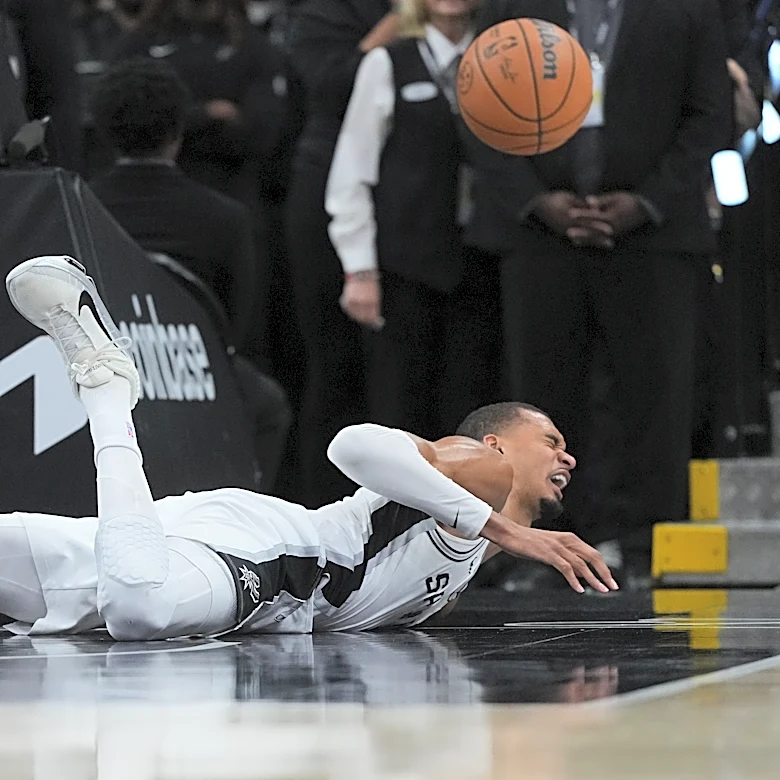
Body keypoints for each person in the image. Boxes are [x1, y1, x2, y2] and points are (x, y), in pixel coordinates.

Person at [1, 255, 616, 639]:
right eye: (551, 440)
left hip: (185, 538)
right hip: (278, 557)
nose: (567, 457)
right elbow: (352, 446)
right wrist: (504, 529)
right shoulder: (485, 470)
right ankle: (107, 386)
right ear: (496, 442)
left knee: (113, 590)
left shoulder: (467, 564)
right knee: (139, 609)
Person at [465, 0, 733, 584]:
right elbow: (477, 111)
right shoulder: (511, 6)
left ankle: (648, 547)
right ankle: (547, 547)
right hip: (539, 239)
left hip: (656, 236)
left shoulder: (689, 9)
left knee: (657, 398)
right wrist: (537, 202)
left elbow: (712, 116)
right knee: (541, 401)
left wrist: (648, 202)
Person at [88, 57, 291, 494]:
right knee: (269, 405)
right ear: (179, 131)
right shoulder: (226, 218)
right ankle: (243, 510)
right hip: (197, 372)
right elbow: (236, 330)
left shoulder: (81, 211)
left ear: (102, 131)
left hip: (100, 372)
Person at [325, 0, 502, 441]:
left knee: (471, 409)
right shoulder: (389, 61)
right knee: (399, 409)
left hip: (482, 260)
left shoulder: (502, 62)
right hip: (405, 264)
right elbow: (352, 169)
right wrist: (360, 270)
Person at [283, 0, 395, 507]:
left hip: (417, 201)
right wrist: (405, 22)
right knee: (335, 365)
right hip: (327, 190)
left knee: (406, 368)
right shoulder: (323, 14)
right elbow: (329, 86)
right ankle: (324, 511)